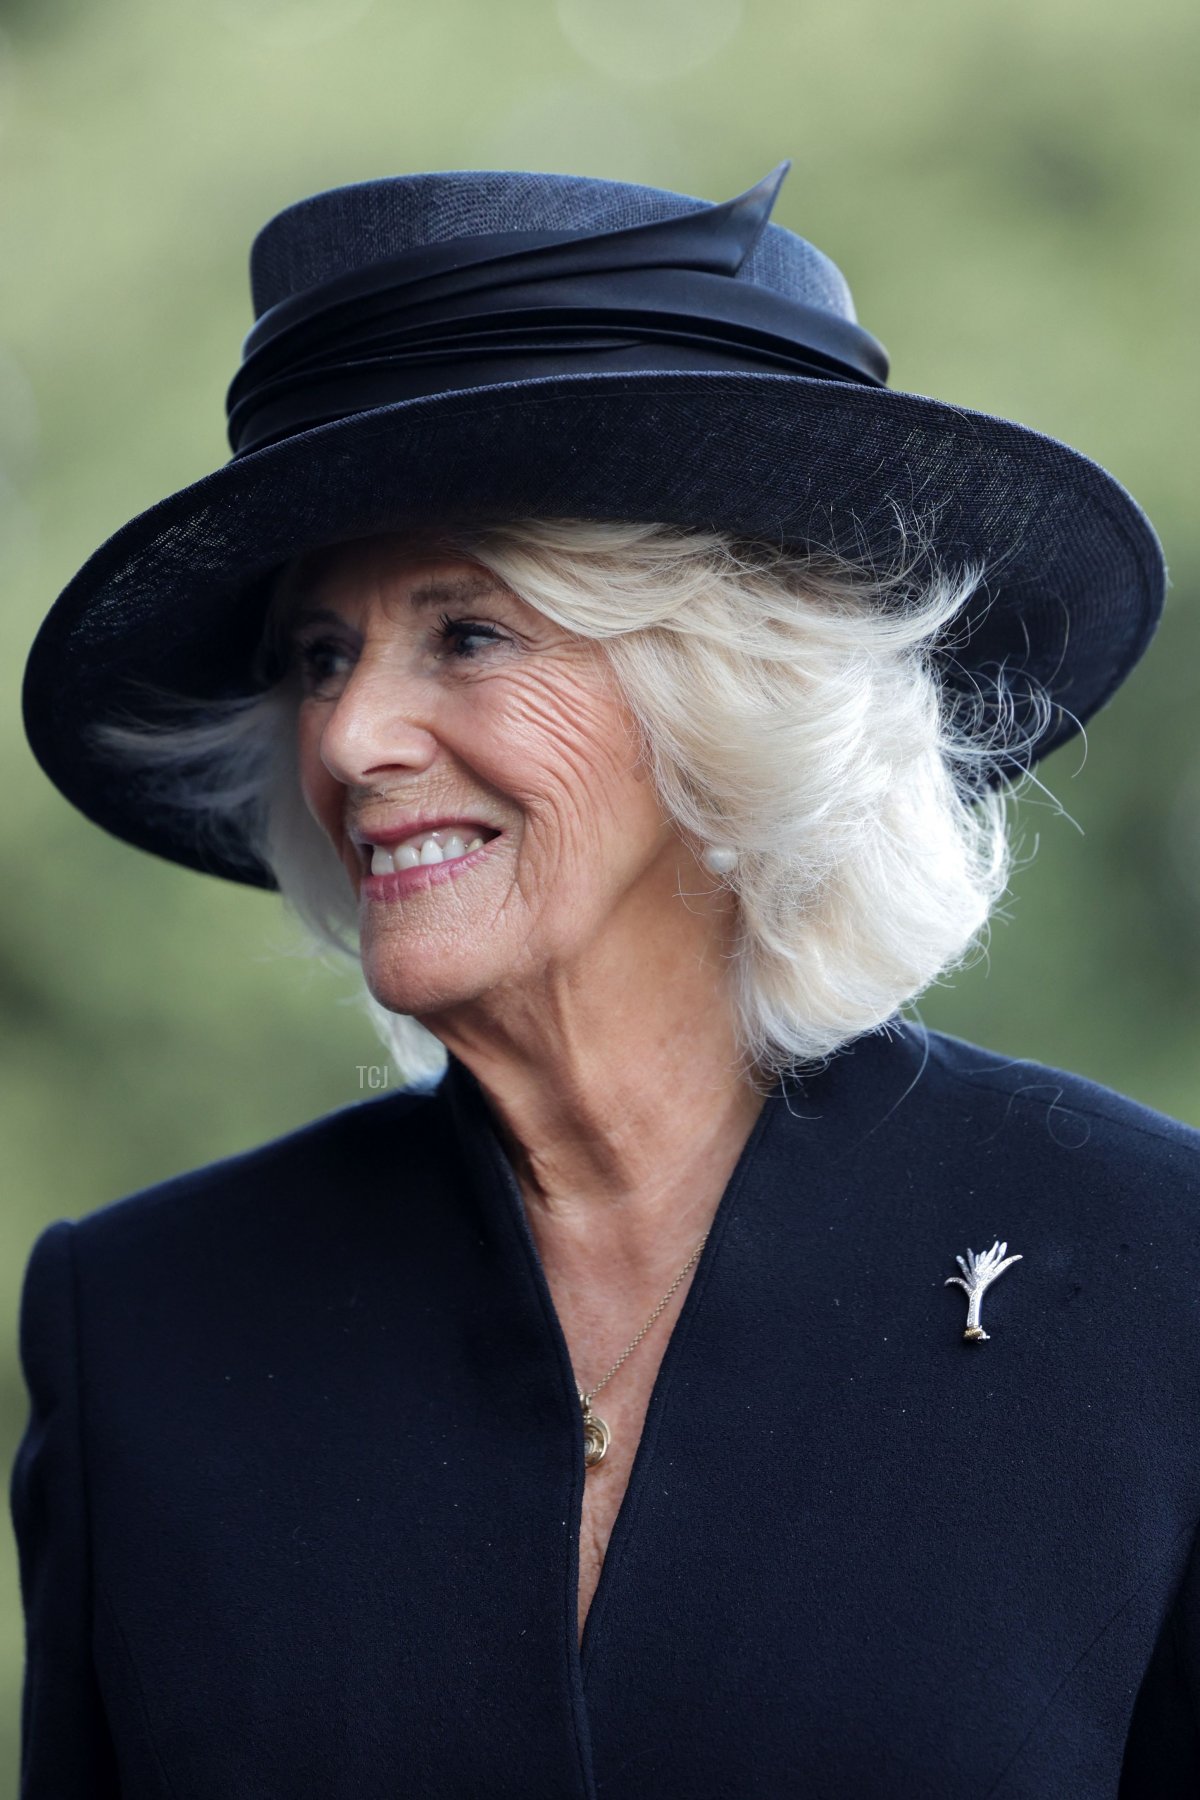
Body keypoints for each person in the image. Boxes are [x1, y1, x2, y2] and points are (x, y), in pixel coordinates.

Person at [13, 161, 1199, 1799]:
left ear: (723, 685)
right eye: (319, 655)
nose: (351, 740)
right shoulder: (147, 1327)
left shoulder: (1155, 1288)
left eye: (471, 632)